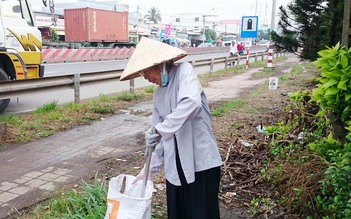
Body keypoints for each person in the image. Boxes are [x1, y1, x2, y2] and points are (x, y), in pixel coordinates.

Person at [119, 37, 223, 219]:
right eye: (142, 74)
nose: (146, 78)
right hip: (176, 168)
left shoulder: (184, 71)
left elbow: (191, 103)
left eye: (147, 72)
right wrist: (149, 169)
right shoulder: (159, 93)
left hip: (201, 163)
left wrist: (161, 129)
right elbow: (157, 137)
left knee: (202, 214)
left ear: (160, 64)